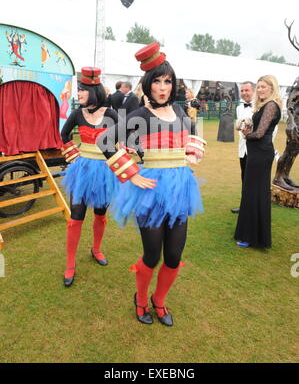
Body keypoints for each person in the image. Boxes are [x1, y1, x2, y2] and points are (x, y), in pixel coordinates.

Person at [97, 42, 206, 326]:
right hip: (151, 191)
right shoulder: (141, 115)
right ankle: (141, 299)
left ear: (173, 84)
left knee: (173, 256)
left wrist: (193, 148)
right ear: (148, 84)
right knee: (152, 254)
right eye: (156, 81)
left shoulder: (181, 113)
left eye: (167, 81)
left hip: (181, 190)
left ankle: (160, 301)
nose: (162, 87)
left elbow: (191, 134)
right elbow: (104, 140)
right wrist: (131, 173)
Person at [60, 67, 119, 287]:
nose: (78, 94)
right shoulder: (77, 114)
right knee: (76, 216)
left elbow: (125, 135)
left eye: (82, 90)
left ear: (93, 91)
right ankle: (70, 263)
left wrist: (123, 148)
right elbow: (64, 135)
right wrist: (74, 156)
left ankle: (96, 249)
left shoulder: (112, 114)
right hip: (82, 170)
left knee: (101, 214)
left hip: (105, 171)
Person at [234, 75, 282, 249]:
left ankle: (253, 237)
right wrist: (247, 124)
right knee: (252, 193)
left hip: (261, 154)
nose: (260, 90)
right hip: (256, 153)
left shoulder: (271, 105)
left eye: (264, 87)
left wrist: (246, 134)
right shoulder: (265, 105)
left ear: (272, 88)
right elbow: (259, 127)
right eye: (259, 87)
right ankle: (251, 234)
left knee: (256, 194)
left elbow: (260, 133)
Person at [231, 81, 255, 214]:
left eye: (247, 90)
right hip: (243, 149)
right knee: (244, 178)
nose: (245, 93)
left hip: (256, 149)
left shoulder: (260, 107)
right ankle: (244, 206)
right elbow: (239, 127)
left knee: (254, 179)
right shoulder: (239, 108)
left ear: (253, 91)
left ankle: (254, 207)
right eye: (242, 91)